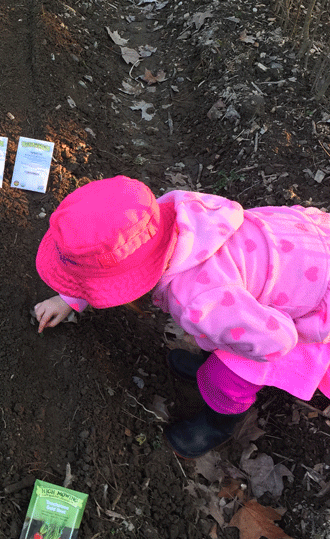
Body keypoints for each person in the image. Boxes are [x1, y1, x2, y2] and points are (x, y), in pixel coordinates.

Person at [34, 175, 330, 458]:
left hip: (301, 310)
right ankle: (216, 353)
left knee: (223, 378)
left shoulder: (199, 301)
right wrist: (69, 298)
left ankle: (218, 425)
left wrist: (228, 344)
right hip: (295, 250)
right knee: (224, 333)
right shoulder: (169, 213)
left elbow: (278, 340)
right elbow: (109, 256)